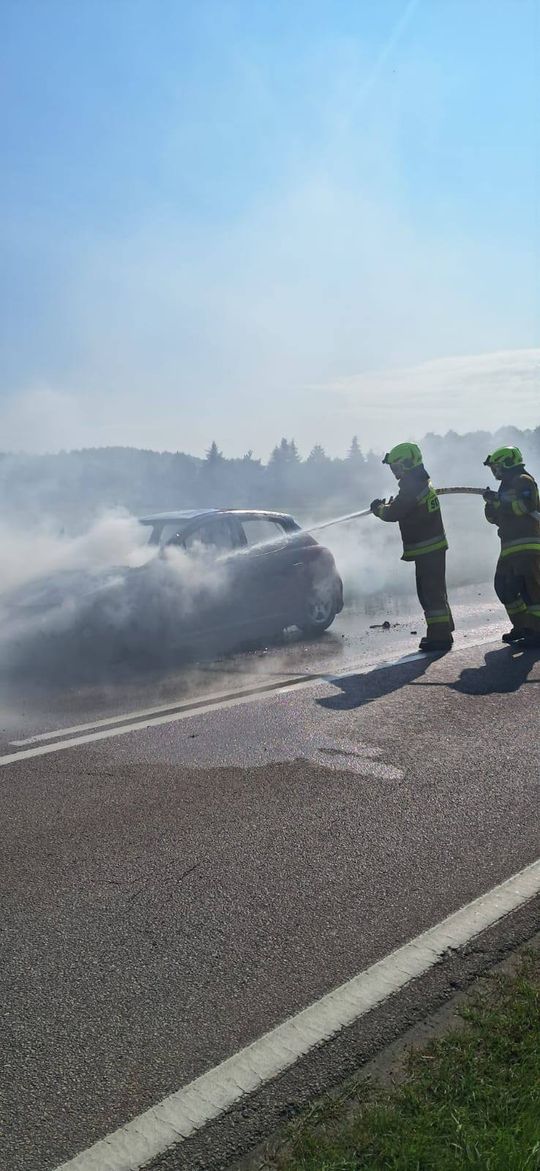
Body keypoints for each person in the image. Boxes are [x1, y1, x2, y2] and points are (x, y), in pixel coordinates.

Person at [370, 442, 454, 652]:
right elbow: (405, 508)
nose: (395, 472)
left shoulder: (412, 486)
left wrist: (379, 508)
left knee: (430, 593)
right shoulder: (419, 482)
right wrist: (391, 505)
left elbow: (394, 513)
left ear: (408, 463)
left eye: (396, 467)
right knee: (434, 592)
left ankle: (440, 637)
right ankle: (444, 630)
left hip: (428, 549)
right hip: (430, 548)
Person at [483, 446, 540, 648]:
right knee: (504, 587)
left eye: (496, 466)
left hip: (528, 545)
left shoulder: (524, 480)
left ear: (508, 462)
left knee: (530, 590)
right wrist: (490, 507)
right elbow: (496, 519)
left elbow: (525, 507)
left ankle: (536, 631)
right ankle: (523, 626)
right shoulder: (505, 486)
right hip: (509, 546)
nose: (495, 471)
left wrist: (499, 502)